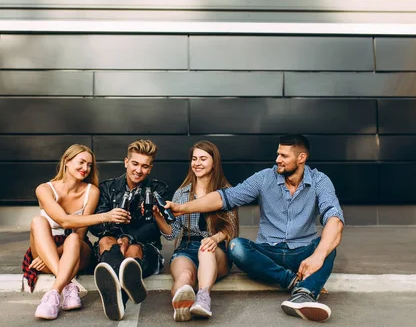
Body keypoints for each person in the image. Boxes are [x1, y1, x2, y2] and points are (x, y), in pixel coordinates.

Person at [166, 134, 344, 323]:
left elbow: (335, 219)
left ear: (301, 158)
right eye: (278, 154)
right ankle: (293, 282)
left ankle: (303, 295)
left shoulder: (320, 181)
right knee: (237, 247)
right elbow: (225, 197)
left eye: (284, 156)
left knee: (328, 245)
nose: (277, 160)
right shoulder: (265, 178)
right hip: (268, 251)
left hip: (302, 252)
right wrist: (181, 208)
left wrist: (317, 256)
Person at [22, 144, 131, 320]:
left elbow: (80, 234)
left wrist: (48, 257)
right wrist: (105, 216)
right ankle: (68, 285)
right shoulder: (44, 189)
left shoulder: (91, 191)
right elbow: (64, 220)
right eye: (81, 162)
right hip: (45, 245)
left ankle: (54, 294)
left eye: (89, 165)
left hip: (74, 249)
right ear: (66, 161)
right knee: (38, 221)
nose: (85, 168)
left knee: (72, 237)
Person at [155, 141, 238, 322]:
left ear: (214, 162)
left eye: (203, 159)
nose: (197, 163)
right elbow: (171, 233)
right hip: (186, 247)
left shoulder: (226, 192)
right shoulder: (181, 194)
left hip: (215, 250)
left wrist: (215, 239)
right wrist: (158, 216)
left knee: (205, 248)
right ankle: (181, 306)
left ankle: (203, 298)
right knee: (185, 276)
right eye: (194, 159)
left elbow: (230, 227)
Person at [89, 139, 171, 321]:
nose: (138, 170)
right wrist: (110, 218)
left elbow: (155, 228)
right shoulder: (107, 188)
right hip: (112, 242)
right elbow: (95, 227)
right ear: (126, 162)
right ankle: (123, 290)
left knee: (133, 250)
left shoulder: (159, 189)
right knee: (104, 241)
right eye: (135, 163)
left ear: (150, 168)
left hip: (146, 248)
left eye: (144, 166)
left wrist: (129, 237)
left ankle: (116, 296)